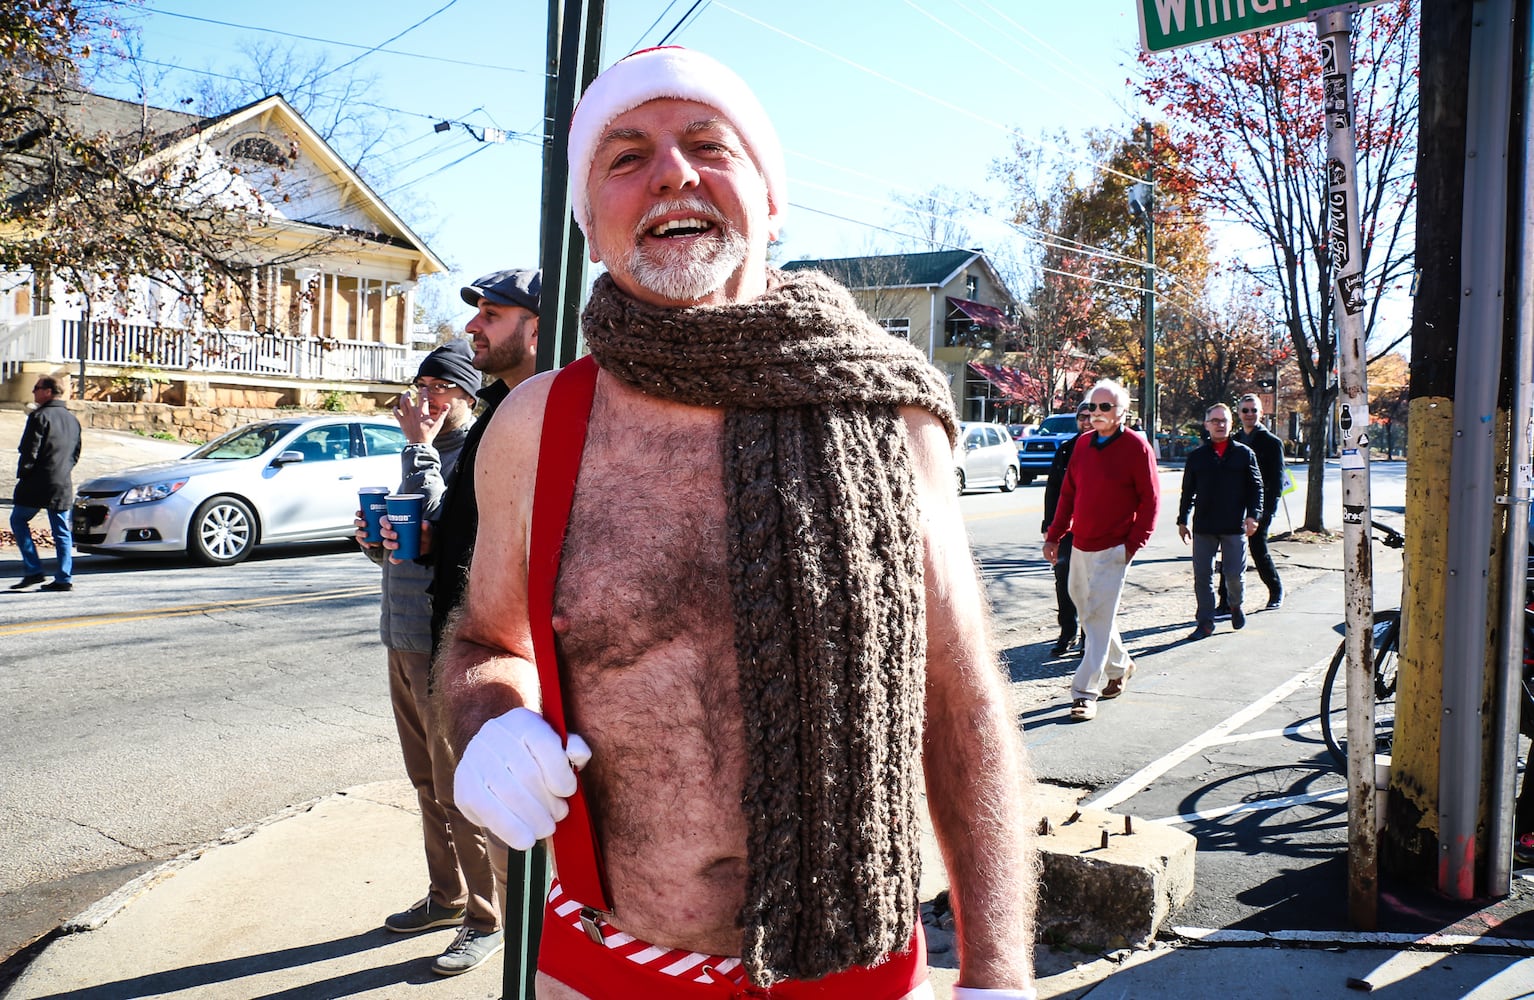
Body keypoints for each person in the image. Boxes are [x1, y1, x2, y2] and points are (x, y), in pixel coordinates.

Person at [437, 46, 1036, 1000]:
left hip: (853, 970)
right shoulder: (536, 424)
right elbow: (481, 641)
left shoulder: (892, 415)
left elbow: (961, 701)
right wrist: (487, 722)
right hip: (599, 968)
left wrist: (999, 974)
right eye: (626, 157)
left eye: (709, 145)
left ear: (769, 193)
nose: (672, 171)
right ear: (592, 227)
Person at [357, 341, 507, 976]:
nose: (422, 397)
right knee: (424, 783)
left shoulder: (471, 452)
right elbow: (413, 543)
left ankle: (486, 918)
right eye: (418, 384)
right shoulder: (422, 455)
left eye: (437, 386)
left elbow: (451, 531)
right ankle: (446, 897)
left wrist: (418, 446)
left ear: (467, 397)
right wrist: (373, 541)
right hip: (401, 635)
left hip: (443, 642)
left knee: (458, 787)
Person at [428, 268, 541, 655]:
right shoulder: (494, 415)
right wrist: (433, 540)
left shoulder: (560, 420)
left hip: (507, 662)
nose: (471, 326)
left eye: (491, 315)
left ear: (536, 331)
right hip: (461, 652)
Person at [1043, 379, 1160, 723]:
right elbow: (1067, 495)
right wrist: (1054, 535)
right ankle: (1120, 665)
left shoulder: (1137, 447)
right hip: (1080, 545)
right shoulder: (1081, 446)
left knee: (1095, 617)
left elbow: (1150, 502)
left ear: (1123, 411)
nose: (1096, 413)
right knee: (1089, 613)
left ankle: (1083, 693)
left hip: (1114, 549)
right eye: (1092, 407)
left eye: (1104, 407)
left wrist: (1132, 546)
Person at [1176, 403, 1263, 641]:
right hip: (1204, 526)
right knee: (1202, 576)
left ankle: (1236, 604)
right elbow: (1188, 491)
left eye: (1224, 420)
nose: (1220, 425)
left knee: (1234, 575)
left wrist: (1253, 515)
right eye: (1215, 421)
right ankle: (1205, 622)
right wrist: (1182, 520)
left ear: (1230, 423)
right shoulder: (1197, 457)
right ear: (1207, 425)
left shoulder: (1244, 454)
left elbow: (1257, 488)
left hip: (1234, 526)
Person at [10, 376, 81, 593]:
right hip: (62, 482)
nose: (33, 392)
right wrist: (63, 470)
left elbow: (29, 450)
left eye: (37, 388)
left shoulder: (39, 417)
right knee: (61, 531)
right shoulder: (72, 420)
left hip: (37, 482)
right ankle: (64, 577)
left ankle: (33, 569)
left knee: (18, 519)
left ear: (48, 391)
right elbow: (76, 453)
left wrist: (24, 474)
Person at [1041, 403, 1093, 657]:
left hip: (1094, 529)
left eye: (1091, 417)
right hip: (1065, 529)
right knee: (1064, 581)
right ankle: (1067, 633)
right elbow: (1052, 490)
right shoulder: (1065, 451)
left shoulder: (1103, 449)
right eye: (1082, 417)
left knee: (1089, 583)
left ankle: (1088, 636)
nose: (1087, 421)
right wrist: (1048, 527)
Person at [1233, 392, 1286, 609]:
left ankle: (1276, 591)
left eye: (1254, 410)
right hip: (1235, 505)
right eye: (1245, 410)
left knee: (1257, 548)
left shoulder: (1272, 443)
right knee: (1231, 551)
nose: (1249, 414)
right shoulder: (1233, 440)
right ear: (1238, 413)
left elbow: (1277, 481)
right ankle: (1227, 600)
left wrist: (1267, 511)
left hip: (1259, 507)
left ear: (1261, 413)